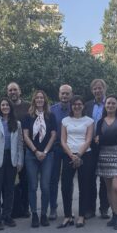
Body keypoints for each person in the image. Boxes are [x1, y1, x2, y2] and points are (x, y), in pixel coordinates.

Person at [0, 97, 24, 230]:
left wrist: (20, 161)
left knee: (9, 189)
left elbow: (20, 144)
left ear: (10, 107)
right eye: (3, 105)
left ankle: (7, 215)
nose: (5, 107)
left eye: (7, 105)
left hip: (11, 159)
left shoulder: (17, 124)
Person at [22, 89, 57, 228]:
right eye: (37, 98)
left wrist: (45, 151)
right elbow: (25, 135)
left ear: (45, 100)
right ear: (34, 100)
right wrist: (36, 151)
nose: (39, 100)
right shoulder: (27, 117)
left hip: (47, 155)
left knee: (45, 186)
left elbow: (53, 135)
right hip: (32, 155)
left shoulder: (51, 116)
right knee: (32, 186)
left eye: (42, 98)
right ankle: (34, 214)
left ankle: (44, 214)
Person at [58, 95, 95, 228]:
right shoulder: (65, 120)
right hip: (68, 154)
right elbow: (63, 140)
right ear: (71, 106)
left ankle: (81, 216)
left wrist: (78, 155)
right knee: (66, 186)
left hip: (85, 155)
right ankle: (67, 216)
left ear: (83, 106)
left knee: (84, 186)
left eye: (79, 104)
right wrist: (72, 155)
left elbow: (88, 139)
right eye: (74, 104)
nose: (77, 106)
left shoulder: (89, 121)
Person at [94, 95, 117, 230]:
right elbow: (97, 140)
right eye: (108, 103)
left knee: (116, 187)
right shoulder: (100, 122)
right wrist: (102, 139)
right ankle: (114, 215)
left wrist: (102, 139)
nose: (110, 105)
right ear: (105, 105)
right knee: (108, 188)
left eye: (113, 103)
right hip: (104, 155)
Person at [84, 78, 110, 219]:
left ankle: (104, 208)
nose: (97, 91)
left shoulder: (111, 103)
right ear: (92, 91)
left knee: (105, 179)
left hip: (105, 145)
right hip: (90, 145)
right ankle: (90, 209)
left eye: (100, 88)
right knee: (90, 177)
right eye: (95, 89)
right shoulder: (87, 105)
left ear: (104, 89)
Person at [48, 84, 73, 222]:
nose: (64, 96)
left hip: (71, 149)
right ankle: (53, 208)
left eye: (67, 94)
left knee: (68, 181)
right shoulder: (52, 110)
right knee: (54, 179)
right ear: (59, 94)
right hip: (56, 148)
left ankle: (68, 210)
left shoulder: (75, 108)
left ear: (71, 94)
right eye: (62, 93)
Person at [7, 82, 31, 219]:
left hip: (25, 149)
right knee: (9, 180)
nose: (12, 92)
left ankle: (25, 207)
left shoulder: (28, 106)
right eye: (10, 90)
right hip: (8, 149)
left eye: (15, 89)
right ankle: (9, 208)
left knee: (25, 180)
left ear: (20, 91)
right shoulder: (3, 105)